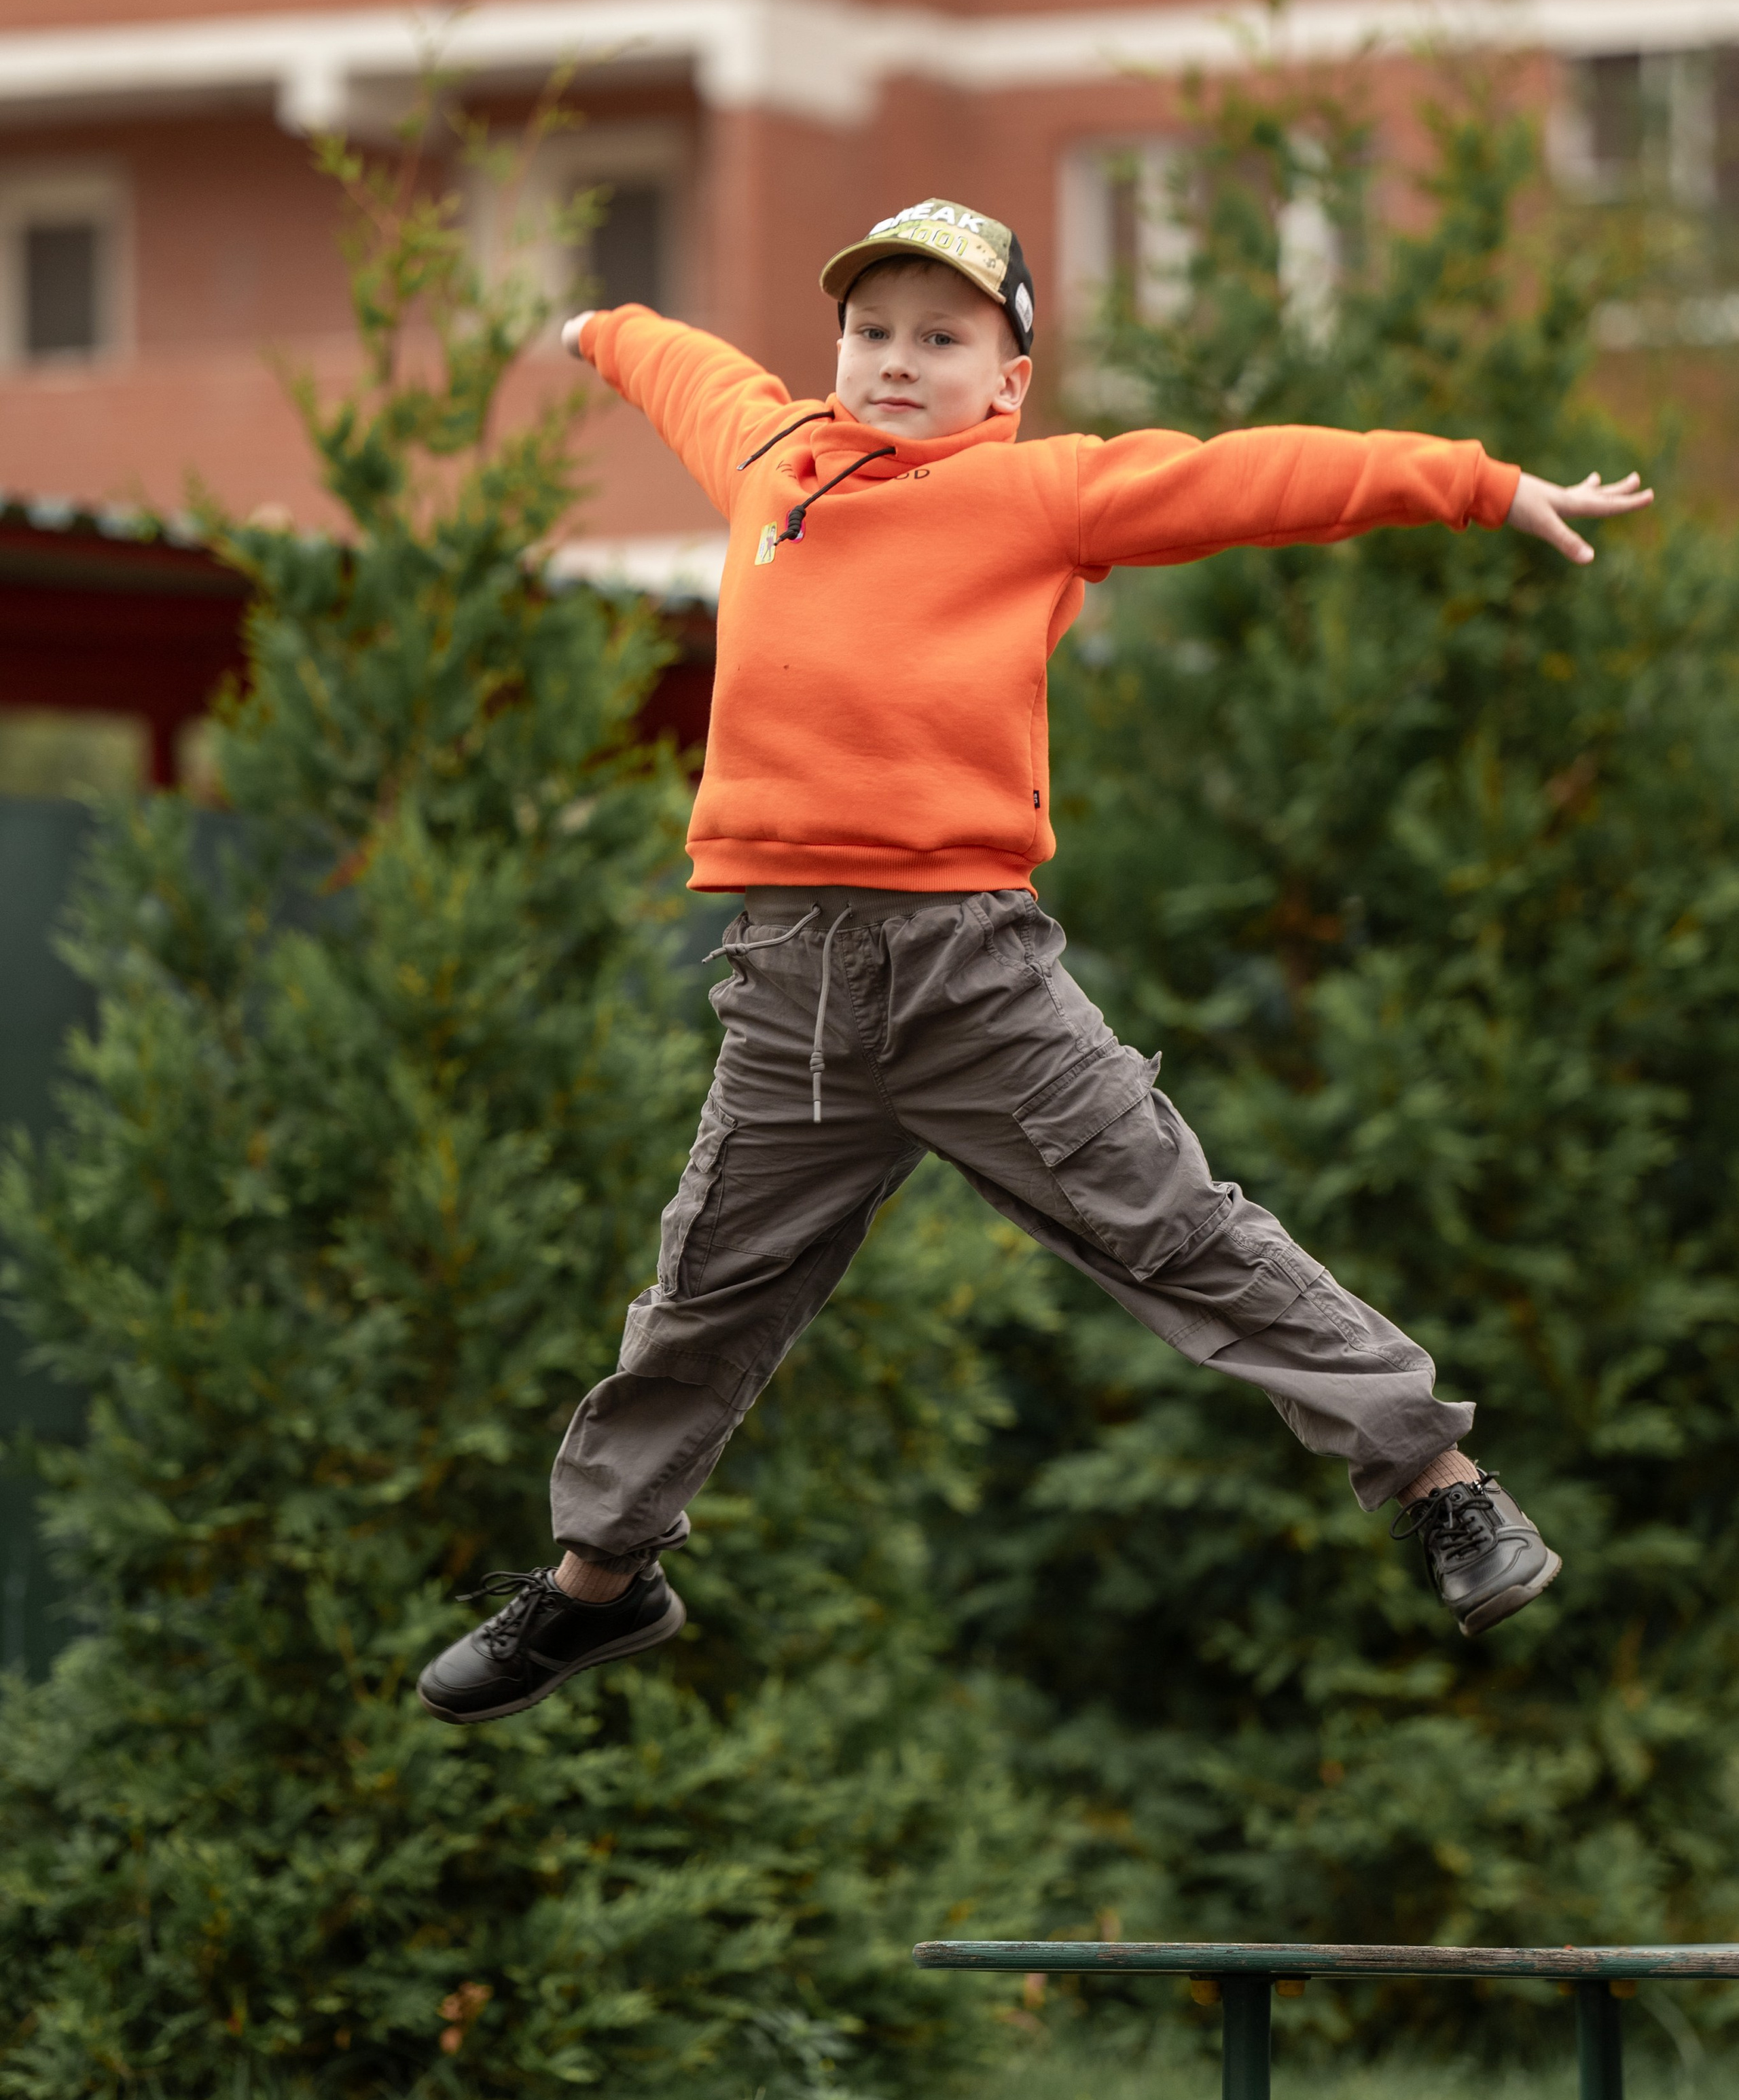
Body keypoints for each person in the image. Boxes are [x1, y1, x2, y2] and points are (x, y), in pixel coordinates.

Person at [416, 198, 1653, 1726]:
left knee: (1172, 1224)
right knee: (704, 1297)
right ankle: (600, 1582)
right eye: (872, 331)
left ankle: (1438, 1482)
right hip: (788, 988)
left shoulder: (1040, 493)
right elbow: (684, 368)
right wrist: (598, 327)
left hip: (967, 979)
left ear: (1005, 379)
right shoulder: (768, 455)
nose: (895, 361)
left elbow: (1256, 476)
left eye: (940, 339)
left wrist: (1476, 483)